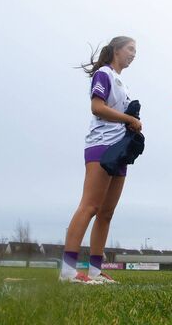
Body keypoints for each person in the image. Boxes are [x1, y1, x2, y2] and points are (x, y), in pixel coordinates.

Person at [59, 36, 142, 284]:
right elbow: (97, 107)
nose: (134, 54)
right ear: (116, 50)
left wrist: (132, 125)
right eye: (130, 49)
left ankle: (95, 271)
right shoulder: (104, 74)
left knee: (106, 212)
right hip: (101, 145)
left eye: (135, 51)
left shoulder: (122, 82)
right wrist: (128, 120)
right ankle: (67, 271)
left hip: (119, 148)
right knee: (90, 206)